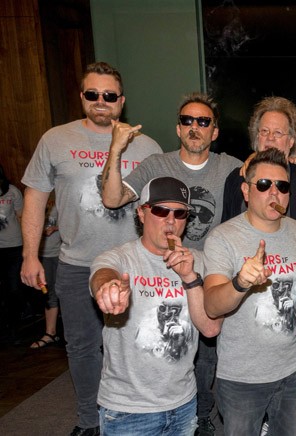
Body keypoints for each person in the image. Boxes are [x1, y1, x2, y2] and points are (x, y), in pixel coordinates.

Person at [21, 61, 162, 436]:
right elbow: (35, 198)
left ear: (122, 101)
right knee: (82, 350)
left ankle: (140, 415)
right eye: (93, 94)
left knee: (138, 346)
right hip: (76, 264)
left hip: (134, 267)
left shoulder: (146, 145)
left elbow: (158, 208)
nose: (101, 101)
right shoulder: (55, 139)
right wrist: (30, 254)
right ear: (82, 96)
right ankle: (90, 421)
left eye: (110, 96)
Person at [100, 92, 241, 435]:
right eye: (187, 121)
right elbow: (112, 197)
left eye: (203, 121)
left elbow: (268, 182)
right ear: (178, 129)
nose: (195, 127)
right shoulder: (155, 165)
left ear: (215, 131)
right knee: (154, 347)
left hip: (204, 270)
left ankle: (200, 415)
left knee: (206, 353)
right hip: (155, 266)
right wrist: (115, 150)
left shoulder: (232, 167)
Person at [89, 177, 221, 436]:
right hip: (129, 409)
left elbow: (210, 328)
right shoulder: (120, 257)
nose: (171, 221)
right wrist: (108, 288)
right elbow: (103, 274)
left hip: (184, 403)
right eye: (161, 211)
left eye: (180, 213)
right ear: (141, 212)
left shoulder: (201, 262)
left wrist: (189, 278)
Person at [203, 149, 296, 436]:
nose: (274, 193)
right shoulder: (223, 238)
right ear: (246, 190)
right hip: (242, 376)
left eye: (282, 186)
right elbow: (213, 306)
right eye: (264, 185)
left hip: (291, 370)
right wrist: (240, 282)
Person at [222, 96, 296, 236]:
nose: (270, 137)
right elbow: (227, 230)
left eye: (278, 132)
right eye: (264, 131)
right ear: (257, 138)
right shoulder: (237, 178)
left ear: (290, 142)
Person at [30, 198, 62, 349]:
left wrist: (55, 228)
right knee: (49, 294)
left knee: (69, 294)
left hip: (63, 255)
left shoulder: (62, 198)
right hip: (43, 255)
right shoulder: (34, 199)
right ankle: (50, 332)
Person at [0, 165, 25, 340]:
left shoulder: (12, 192)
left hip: (13, 246)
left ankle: (15, 327)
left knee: (13, 288)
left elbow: (22, 217)